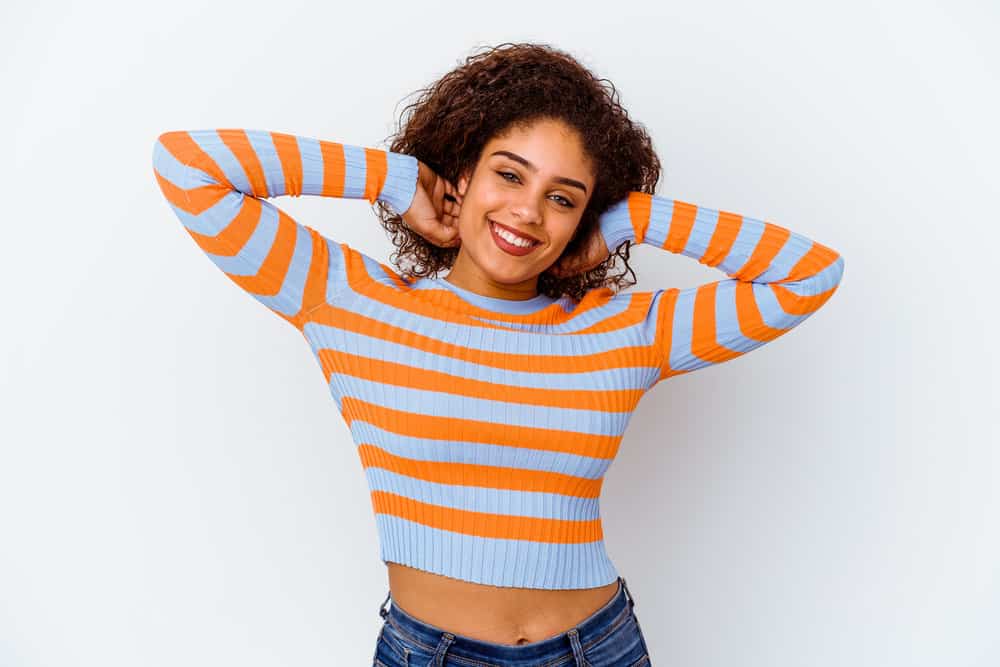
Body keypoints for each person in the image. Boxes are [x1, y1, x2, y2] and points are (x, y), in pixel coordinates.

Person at [152, 42, 844, 666]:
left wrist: (635, 219)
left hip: (597, 646)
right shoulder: (352, 304)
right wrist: (396, 182)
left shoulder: (623, 329)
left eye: (563, 197)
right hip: (429, 651)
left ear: (585, 218)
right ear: (463, 173)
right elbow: (188, 167)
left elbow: (809, 275)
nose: (528, 212)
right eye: (509, 175)